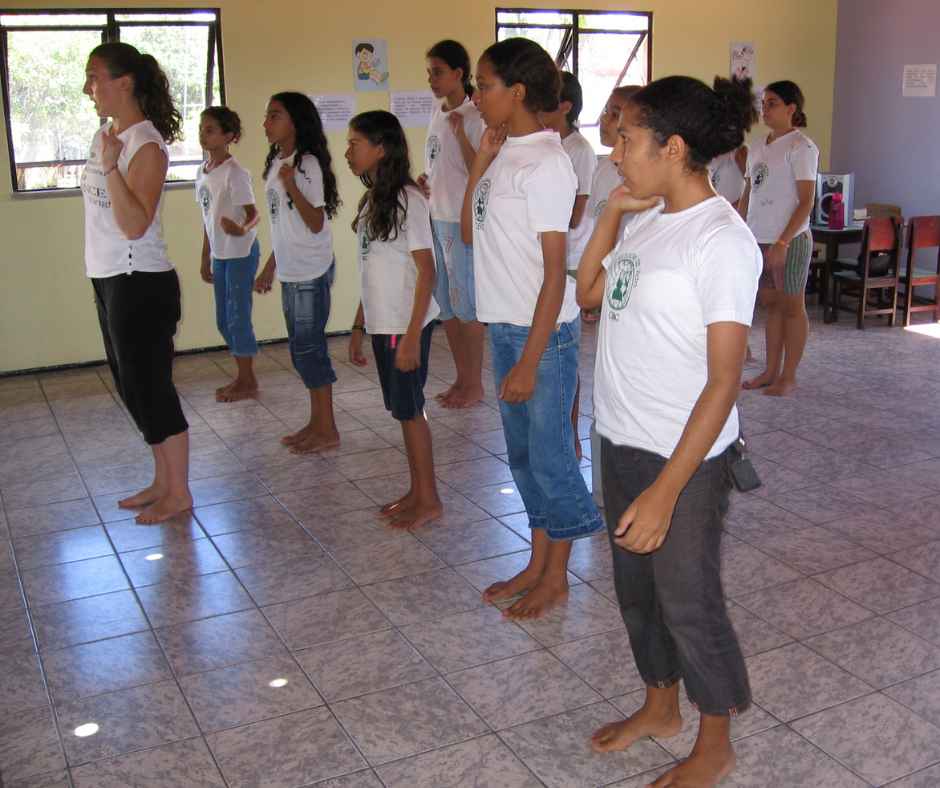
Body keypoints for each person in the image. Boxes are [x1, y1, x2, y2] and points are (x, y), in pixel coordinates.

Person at [577, 75, 761, 787]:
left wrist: (665, 492)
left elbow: (724, 381)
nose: (616, 150)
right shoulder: (651, 220)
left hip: (682, 458)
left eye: (626, 137)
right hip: (620, 436)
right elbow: (590, 293)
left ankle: (716, 741)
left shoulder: (721, 241)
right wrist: (611, 218)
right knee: (636, 593)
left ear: (673, 146)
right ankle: (660, 706)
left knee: (688, 600)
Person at [463, 38, 603, 620]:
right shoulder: (505, 155)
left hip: (539, 336)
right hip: (507, 327)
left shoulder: (548, 163)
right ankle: (537, 559)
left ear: (516, 92)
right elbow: (469, 236)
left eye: (484, 84)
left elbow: (554, 275)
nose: (476, 95)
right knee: (522, 459)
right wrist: (479, 161)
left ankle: (558, 578)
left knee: (550, 459)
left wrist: (529, 359)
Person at [80, 42, 192, 525]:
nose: (89, 88)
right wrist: (105, 157)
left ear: (124, 83)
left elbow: (134, 224)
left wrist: (109, 166)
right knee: (132, 387)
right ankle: (161, 480)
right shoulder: (106, 136)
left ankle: (180, 491)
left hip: (140, 281)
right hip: (107, 277)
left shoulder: (146, 145)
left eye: (95, 77)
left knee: (153, 387)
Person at [346, 111, 443, 529]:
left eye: (355, 143)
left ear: (380, 148)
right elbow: (372, 269)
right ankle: (417, 489)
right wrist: (357, 325)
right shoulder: (374, 202)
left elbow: (427, 272)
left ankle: (430, 499)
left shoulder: (409, 200)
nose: (348, 152)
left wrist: (408, 338)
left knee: (411, 409)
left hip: (405, 326)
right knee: (402, 410)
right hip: (383, 324)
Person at [254, 92, 342, 453]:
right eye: (267, 116)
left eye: (274, 116)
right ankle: (316, 422)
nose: (266, 123)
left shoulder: (307, 164)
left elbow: (316, 221)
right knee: (300, 350)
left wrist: (291, 185)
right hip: (290, 268)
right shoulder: (278, 160)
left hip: (310, 268)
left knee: (309, 349)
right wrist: (270, 266)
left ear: (296, 121)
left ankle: (328, 428)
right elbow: (282, 224)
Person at [418, 39, 486, 409]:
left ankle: (474, 384)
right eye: (429, 72)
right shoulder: (436, 111)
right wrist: (426, 180)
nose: (432, 79)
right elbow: (437, 162)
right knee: (447, 307)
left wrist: (461, 134)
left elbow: (481, 168)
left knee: (468, 308)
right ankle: (461, 379)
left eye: (438, 72)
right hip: (436, 217)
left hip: (461, 223)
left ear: (459, 74)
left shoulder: (475, 117)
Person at [740, 80, 818, 396]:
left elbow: (806, 201)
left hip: (790, 239)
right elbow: (749, 193)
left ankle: (788, 375)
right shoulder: (758, 146)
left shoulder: (802, 147)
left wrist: (783, 243)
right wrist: (742, 230)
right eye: (764, 103)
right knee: (771, 305)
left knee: (791, 306)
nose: (765, 109)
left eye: (772, 103)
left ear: (791, 109)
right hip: (758, 236)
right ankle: (770, 371)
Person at [585, 84, 642, 505]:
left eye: (626, 132)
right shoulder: (610, 175)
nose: (610, 126)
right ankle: (608, 490)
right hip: (613, 282)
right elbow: (588, 290)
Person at [195, 106, 261, 402]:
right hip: (220, 255)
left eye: (210, 129)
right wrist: (205, 255)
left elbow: (254, 215)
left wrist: (242, 229)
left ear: (229, 136)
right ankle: (242, 376)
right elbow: (207, 218)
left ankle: (247, 381)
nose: (203, 134)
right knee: (223, 319)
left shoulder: (235, 173)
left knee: (237, 317)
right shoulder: (202, 171)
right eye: (201, 128)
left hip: (240, 253)